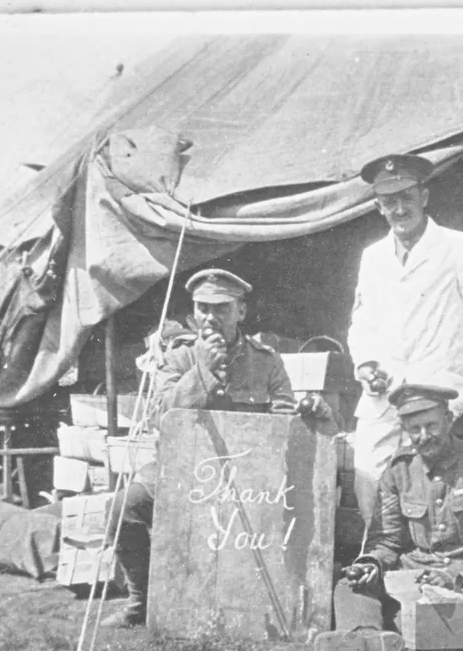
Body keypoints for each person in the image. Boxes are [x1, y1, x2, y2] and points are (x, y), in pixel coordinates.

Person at [101, 268, 318, 628]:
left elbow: (283, 420)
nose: (211, 317)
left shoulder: (266, 361)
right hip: (183, 469)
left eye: (222, 308)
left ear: (241, 312)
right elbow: (161, 417)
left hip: (246, 475)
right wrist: (201, 370)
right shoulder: (179, 357)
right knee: (125, 507)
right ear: (193, 313)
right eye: (203, 308)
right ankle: (141, 600)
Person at [347, 153, 463, 526]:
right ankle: (377, 555)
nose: (400, 209)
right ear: (378, 207)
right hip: (382, 393)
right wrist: (366, 365)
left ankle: (421, 560)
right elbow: (361, 321)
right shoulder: (373, 257)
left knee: (420, 478)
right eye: (389, 202)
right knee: (367, 471)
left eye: (407, 198)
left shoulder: (459, 246)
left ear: (425, 197)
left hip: (435, 389)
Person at [313, 384, 463, 651]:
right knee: (350, 585)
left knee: (435, 610)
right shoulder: (399, 469)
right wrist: (372, 563)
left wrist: (456, 572)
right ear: (404, 428)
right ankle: (369, 635)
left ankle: (382, 634)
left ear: (449, 419)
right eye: (414, 429)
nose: (424, 436)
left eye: (431, 425)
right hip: (416, 574)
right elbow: (386, 539)